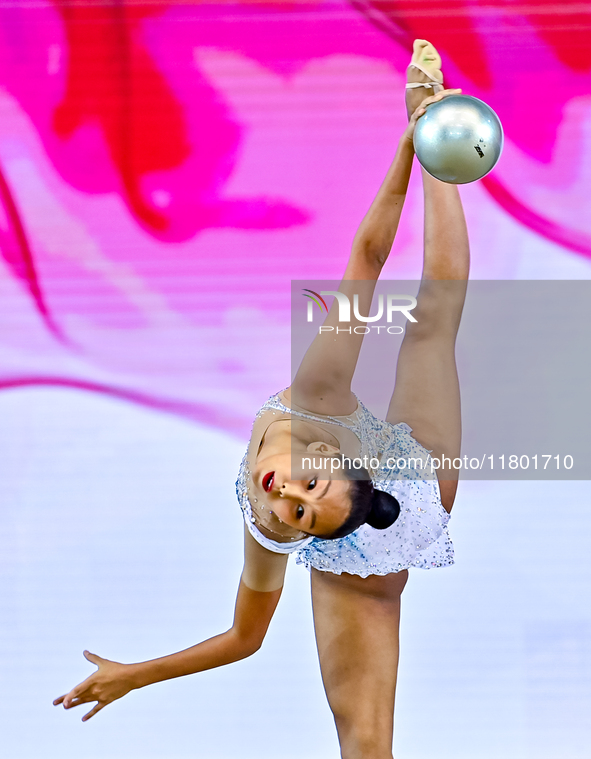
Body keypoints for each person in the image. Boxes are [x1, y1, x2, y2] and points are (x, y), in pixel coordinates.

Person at [54, 40, 468, 759]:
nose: (285, 498)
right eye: (308, 491)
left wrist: (133, 675)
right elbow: (367, 259)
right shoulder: (319, 391)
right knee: (434, 316)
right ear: (327, 452)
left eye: (296, 512)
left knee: (434, 322)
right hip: (394, 505)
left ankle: (442, 142)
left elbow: (244, 635)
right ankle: (436, 127)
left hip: (393, 511)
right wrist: (414, 140)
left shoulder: (274, 523)